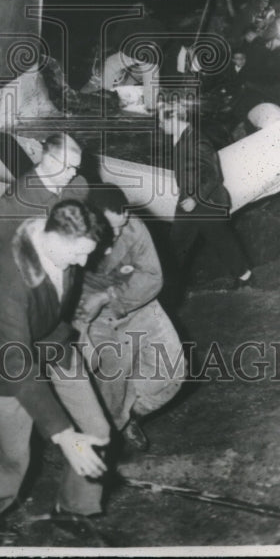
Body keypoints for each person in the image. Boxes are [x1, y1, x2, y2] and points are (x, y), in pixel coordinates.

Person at [0, 200, 110, 535]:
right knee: (9, 458)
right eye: (78, 254)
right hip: (1, 364)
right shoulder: (7, 281)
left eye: (88, 253)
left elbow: (58, 304)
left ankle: (72, 508)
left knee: (97, 430)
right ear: (53, 238)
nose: (84, 263)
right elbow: (16, 361)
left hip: (53, 345)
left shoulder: (65, 246)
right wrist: (63, 433)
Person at [74, 186, 185, 451]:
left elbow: (152, 277)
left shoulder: (131, 226)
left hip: (138, 306)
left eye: (121, 224)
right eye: (109, 227)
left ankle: (130, 416)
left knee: (171, 373)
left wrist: (107, 297)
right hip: (95, 320)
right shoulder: (71, 233)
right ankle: (109, 433)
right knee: (109, 388)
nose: (117, 234)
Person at [158, 97, 253, 291]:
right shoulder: (180, 138)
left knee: (221, 242)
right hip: (189, 201)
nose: (160, 125)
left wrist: (195, 199)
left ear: (174, 118)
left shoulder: (197, 141)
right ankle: (166, 288)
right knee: (176, 245)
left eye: (161, 121)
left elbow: (214, 176)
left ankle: (245, 277)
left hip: (207, 202)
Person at [0, 132, 88, 271]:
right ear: (49, 160)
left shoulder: (79, 185)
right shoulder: (14, 202)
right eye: (69, 167)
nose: (73, 173)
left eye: (77, 167)